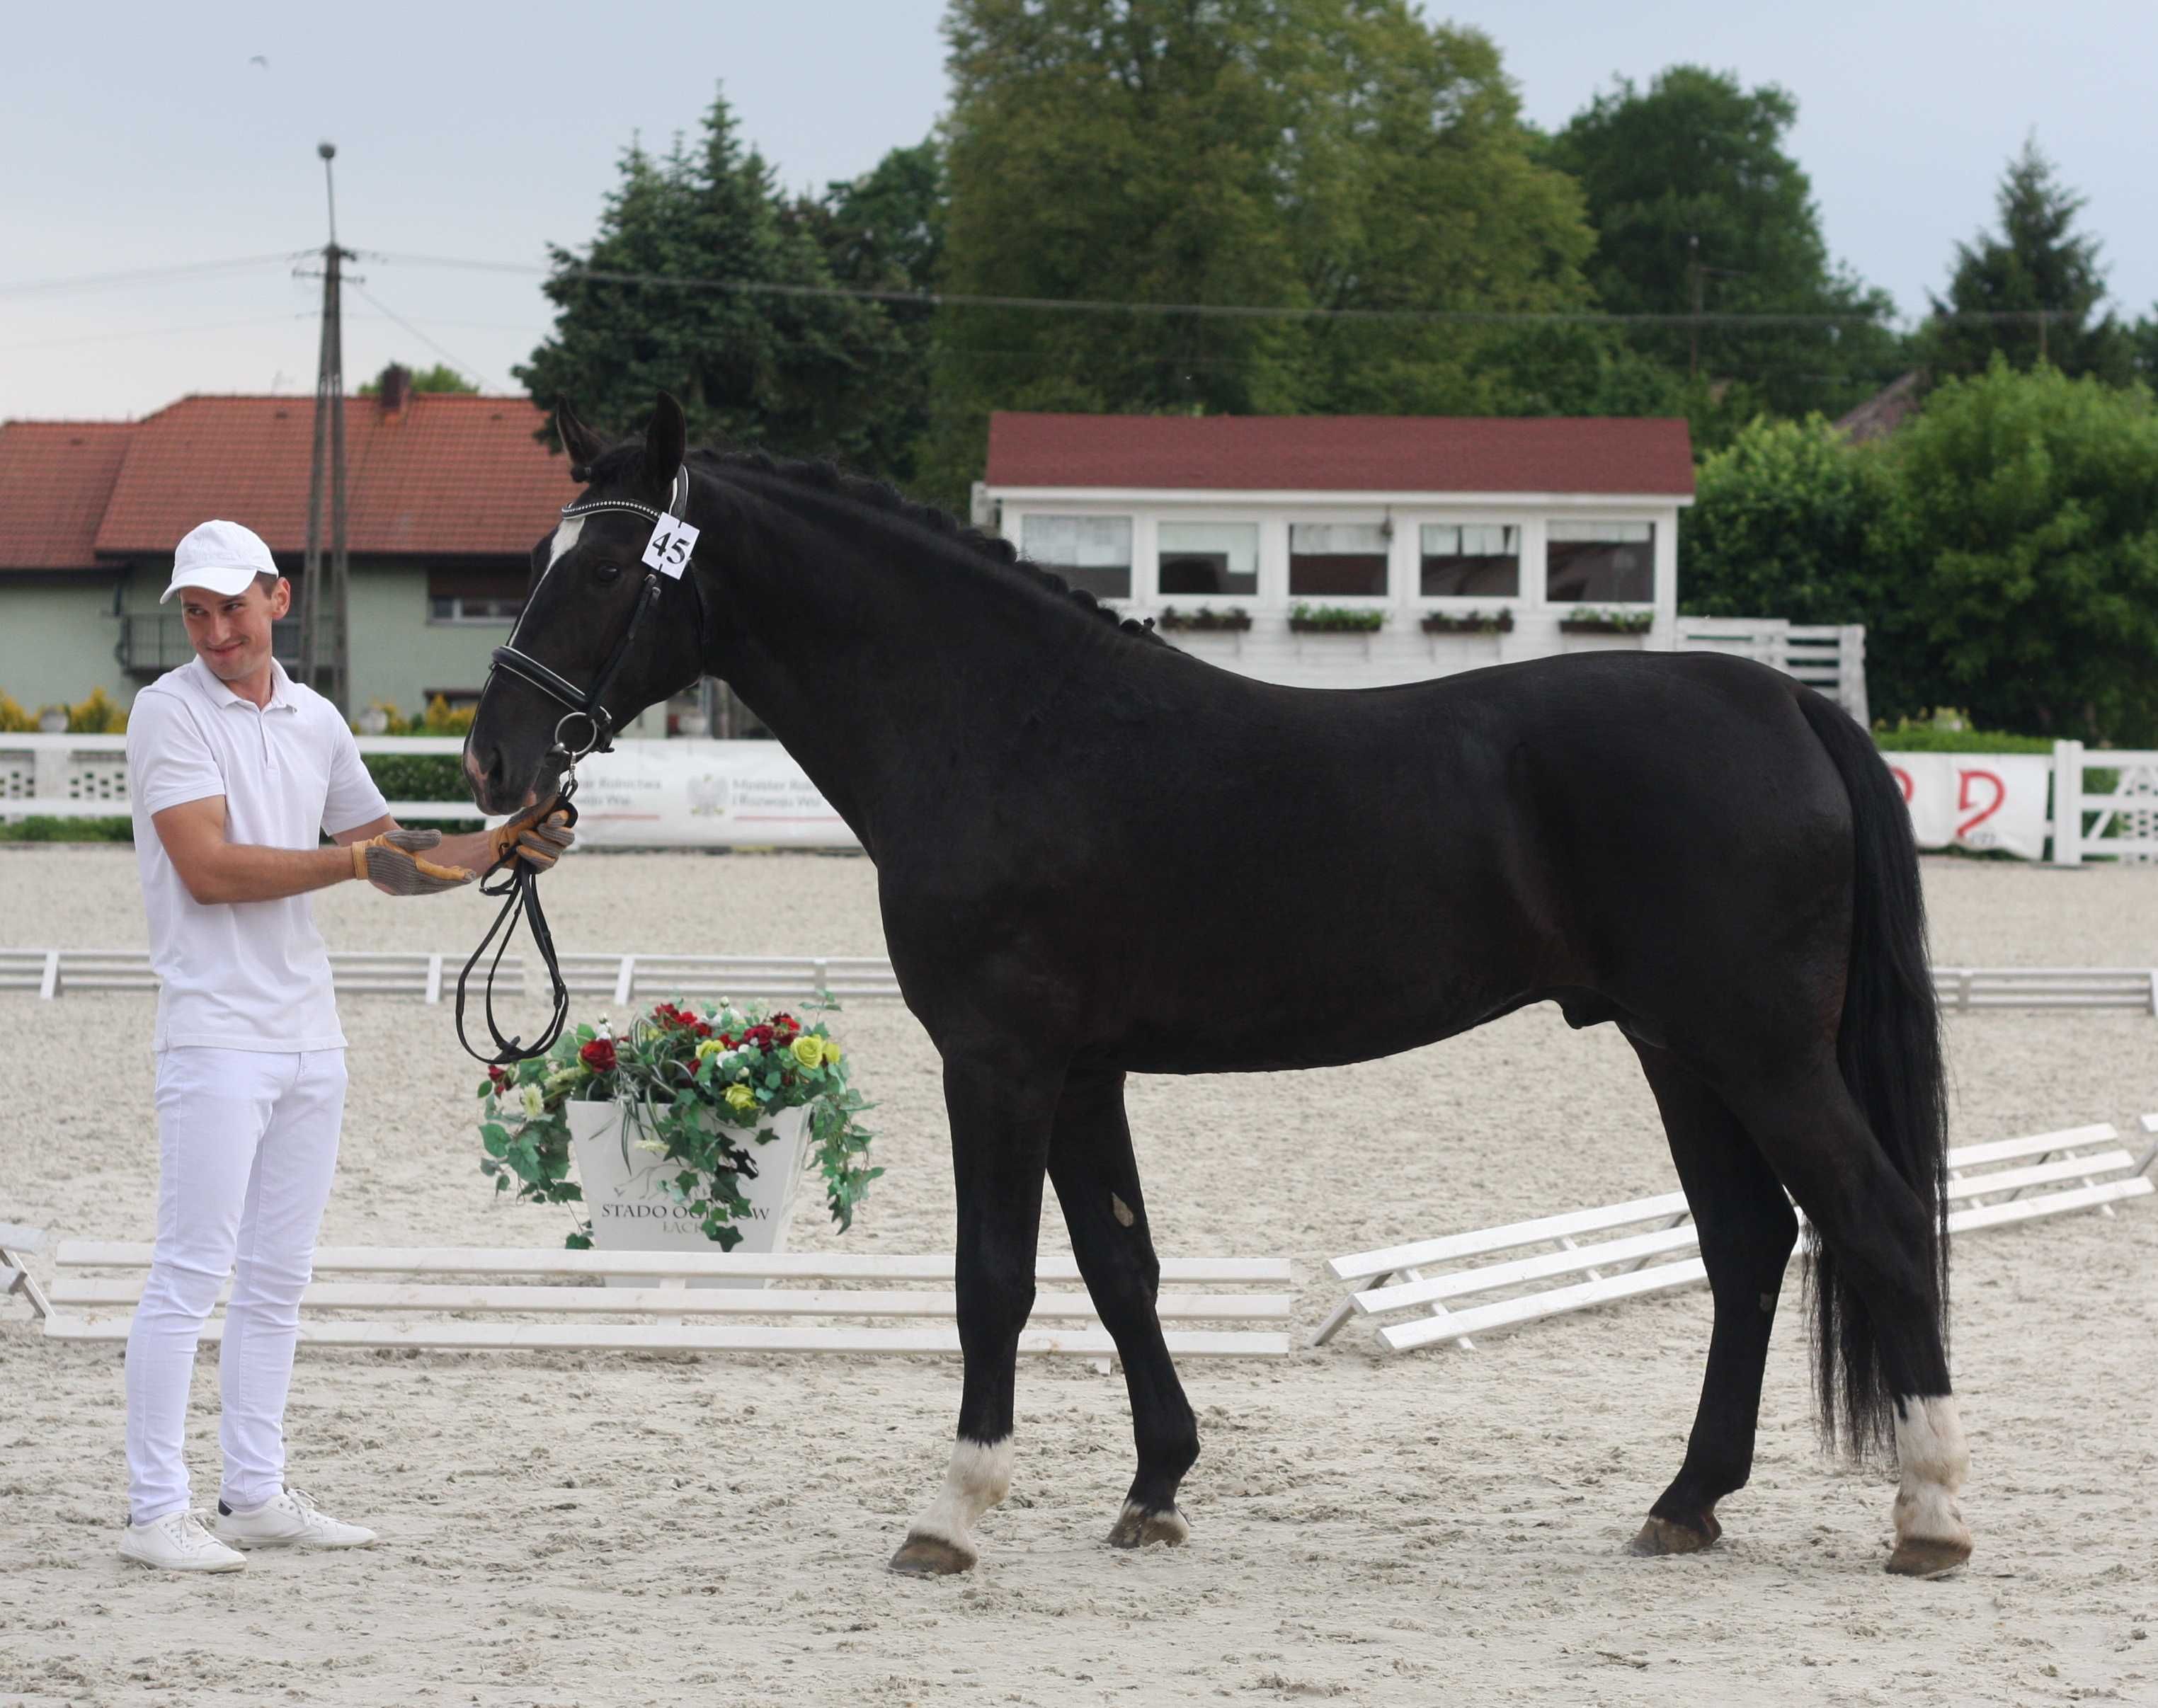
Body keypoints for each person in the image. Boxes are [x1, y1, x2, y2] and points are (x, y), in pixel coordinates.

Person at [118, 519, 572, 1574]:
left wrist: (508, 843)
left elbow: (398, 860)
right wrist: (355, 862)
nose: (214, 629)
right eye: (195, 610)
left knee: (277, 1277)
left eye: (231, 606)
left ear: (278, 599)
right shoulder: (165, 712)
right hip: (214, 1031)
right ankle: (153, 1511)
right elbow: (211, 869)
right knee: (188, 1274)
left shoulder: (316, 718)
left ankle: (256, 1490)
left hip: (306, 1032)